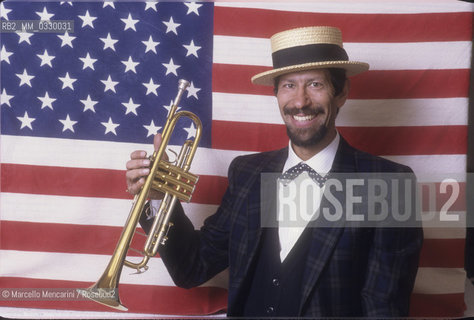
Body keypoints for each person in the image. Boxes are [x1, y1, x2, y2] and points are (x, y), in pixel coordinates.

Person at [125, 26, 423, 317]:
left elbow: (383, 308)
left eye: (315, 84)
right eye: (289, 85)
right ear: (277, 94)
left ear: (341, 92)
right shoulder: (247, 172)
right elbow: (191, 267)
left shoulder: (391, 185)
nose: (300, 101)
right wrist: (158, 199)